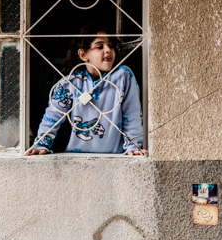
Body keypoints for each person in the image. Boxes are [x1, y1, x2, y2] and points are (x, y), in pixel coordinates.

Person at [26, 26, 146, 155]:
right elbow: (52, 116)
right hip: (76, 156)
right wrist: (41, 144)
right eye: (100, 47)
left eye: (110, 46)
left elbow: (132, 114)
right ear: (83, 54)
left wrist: (134, 146)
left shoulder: (123, 76)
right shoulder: (70, 83)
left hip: (115, 156)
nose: (108, 50)